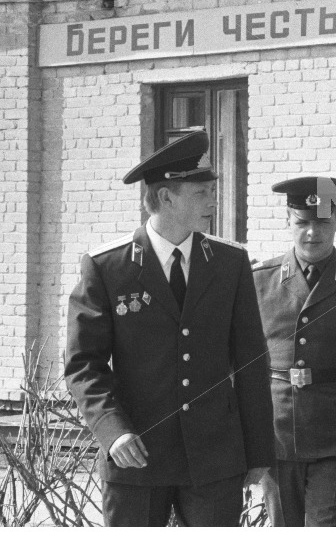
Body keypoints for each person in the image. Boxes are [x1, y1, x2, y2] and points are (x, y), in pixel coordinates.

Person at [65, 130, 274, 527]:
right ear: (165, 197)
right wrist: (113, 432)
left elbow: (250, 362)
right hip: (136, 457)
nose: (213, 202)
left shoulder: (230, 263)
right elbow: (82, 364)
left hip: (213, 462)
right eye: (201, 193)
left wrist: (258, 452)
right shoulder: (108, 267)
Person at [253, 176, 336, 526]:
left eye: (322, 222)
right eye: (302, 223)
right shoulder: (259, 280)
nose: (312, 232)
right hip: (278, 439)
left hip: (335, 441)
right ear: (287, 222)